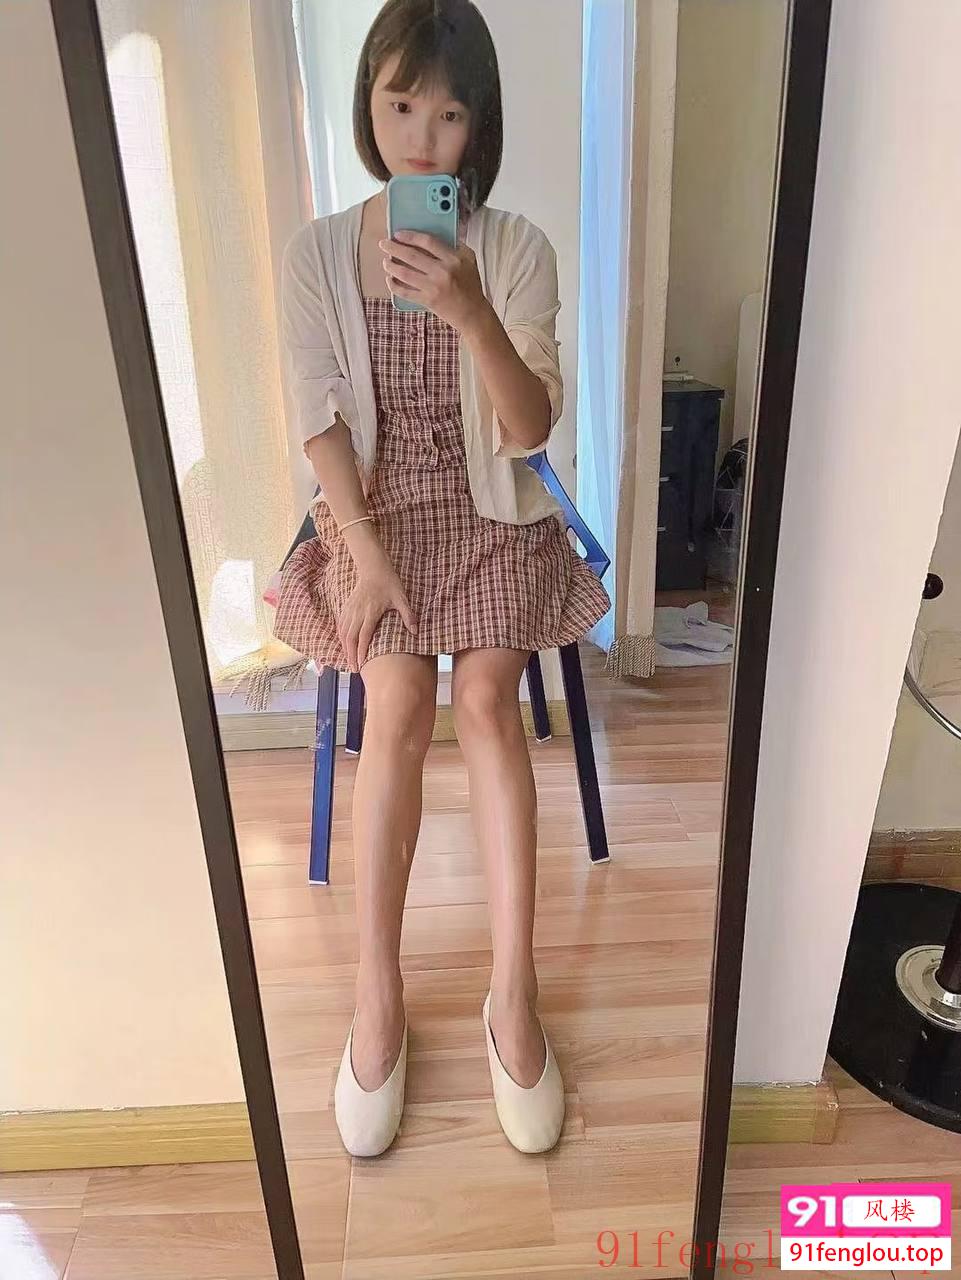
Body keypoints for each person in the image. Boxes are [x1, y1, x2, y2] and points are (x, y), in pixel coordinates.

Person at [272, 0, 611, 1157]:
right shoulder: (317, 252)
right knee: (399, 698)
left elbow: (527, 433)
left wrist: (469, 310)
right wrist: (364, 553)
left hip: (494, 514)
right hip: (373, 519)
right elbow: (317, 419)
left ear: (481, 125)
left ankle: (512, 993)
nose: (422, 137)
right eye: (400, 103)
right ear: (367, 105)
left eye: (450, 113)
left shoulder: (515, 250)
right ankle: (378, 995)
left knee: (487, 701)